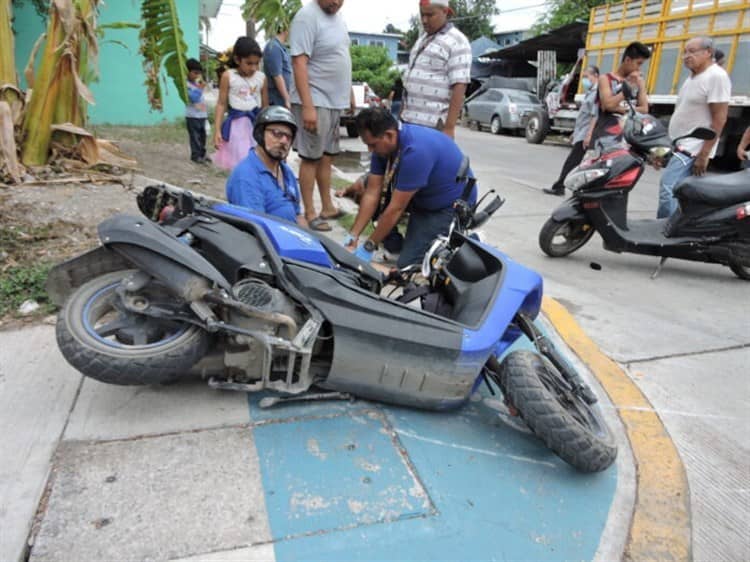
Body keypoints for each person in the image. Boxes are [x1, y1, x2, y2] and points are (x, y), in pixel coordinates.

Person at [345, 108, 477, 268]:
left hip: (448, 206)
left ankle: (458, 243)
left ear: (389, 135)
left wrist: (369, 246)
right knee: (364, 189)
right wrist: (353, 236)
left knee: (408, 268)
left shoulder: (415, 151)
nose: (370, 150)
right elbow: (372, 193)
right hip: (422, 195)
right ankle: (395, 247)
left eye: (372, 145)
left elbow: (396, 208)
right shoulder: (384, 146)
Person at [289, 0, 352, 232]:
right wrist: (307, 106)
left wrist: (349, 94)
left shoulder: (337, 18)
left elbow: (340, 54)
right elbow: (299, 62)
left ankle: (327, 206)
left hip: (333, 101)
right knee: (311, 157)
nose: (336, 2)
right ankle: (310, 213)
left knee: (327, 156)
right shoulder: (307, 17)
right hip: (315, 99)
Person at [657, 36, 731, 218]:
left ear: (708, 53)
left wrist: (704, 154)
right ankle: (677, 231)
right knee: (683, 194)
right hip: (680, 144)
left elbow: (719, 118)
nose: (686, 56)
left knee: (668, 189)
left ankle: (668, 233)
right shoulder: (693, 77)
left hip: (693, 148)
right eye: (685, 52)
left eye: (692, 51)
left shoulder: (716, 76)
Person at [400, 0, 471, 138]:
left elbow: (460, 85)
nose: (424, 20)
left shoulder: (457, 41)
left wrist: (449, 128)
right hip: (409, 122)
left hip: (433, 125)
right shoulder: (421, 40)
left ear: (445, 12)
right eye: (422, 15)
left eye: (430, 15)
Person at [225, 106, 304, 225]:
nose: (284, 141)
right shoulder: (246, 177)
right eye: (277, 133)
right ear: (260, 134)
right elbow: (257, 229)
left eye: (288, 137)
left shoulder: (286, 171)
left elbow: (298, 215)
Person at [212, 36, 268, 171]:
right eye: (249, 63)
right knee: (242, 163)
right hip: (237, 127)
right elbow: (221, 104)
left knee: (258, 161)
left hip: (255, 125)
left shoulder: (261, 78)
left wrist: (267, 129)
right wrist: (217, 130)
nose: (254, 68)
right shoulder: (228, 76)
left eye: (257, 63)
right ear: (237, 59)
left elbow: (265, 106)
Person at [544, 65, 600, 196]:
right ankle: (571, 188)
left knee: (574, 162)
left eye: (587, 77)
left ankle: (560, 187)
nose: (584, 80)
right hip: (582, 133)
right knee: (579, 162)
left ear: (596, 76)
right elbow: (584, 117)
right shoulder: (591, 92)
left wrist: (588, 135)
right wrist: (575, 133)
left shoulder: (597, 93)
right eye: (584, 77)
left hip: (587, 135)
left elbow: (594, 116)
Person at [591, 41, 651, 147]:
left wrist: (618, 109)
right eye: (638, 63)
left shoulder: (640, 81)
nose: (639, 69)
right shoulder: (605, 79)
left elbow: (644, 109)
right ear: (628, 60)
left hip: (629, 137)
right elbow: (608, 105)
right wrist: (627, 88)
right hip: (606, 137)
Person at [185, 58, 209, 164]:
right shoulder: (186, 85)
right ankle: (195, 156)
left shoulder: (197, 83)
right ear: (188, 72)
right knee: (195, 137)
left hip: (202, 115)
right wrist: (200, 89)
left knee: (203, 136)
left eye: (198, 73)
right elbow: (193, 98)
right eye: (195, 73)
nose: (197, 76)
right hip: (192, 116)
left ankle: (202, 154)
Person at [263, 25, 292, 108]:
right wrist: (287, 99)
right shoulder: (273, 47)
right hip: (277, 100)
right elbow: (277, 75)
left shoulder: (282, 47)